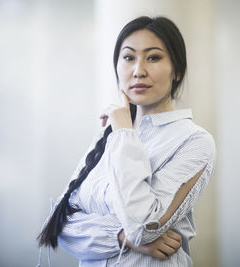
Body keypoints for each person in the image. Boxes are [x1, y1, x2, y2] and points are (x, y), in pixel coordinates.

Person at [37, 16, 216, 266]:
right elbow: (60, 223)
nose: (138, 70)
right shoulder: (108, 135)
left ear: (176, 70)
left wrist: (123, 132)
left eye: (153, 57)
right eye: (129, 57)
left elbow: (143, 225)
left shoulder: (194, 141)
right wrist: (121, 236)